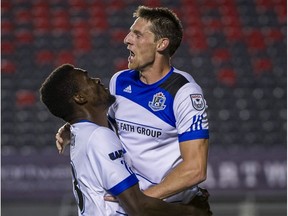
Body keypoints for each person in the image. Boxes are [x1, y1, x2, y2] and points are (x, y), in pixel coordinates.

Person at [56, 5, 212, 214]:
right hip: (133, 206)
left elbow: (195, 169)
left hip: (168, 207)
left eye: (137, 35)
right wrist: (74, 129)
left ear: (162, 44)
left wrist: (142, 200)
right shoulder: (120, 81)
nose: (127, 39)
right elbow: (109, 131)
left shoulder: (184, 92)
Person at [40, 63, 210, 216]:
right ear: (79, 98)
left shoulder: (80, 132)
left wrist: (67, 129)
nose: (97, 80)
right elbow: (138, 207)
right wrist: (193, 212)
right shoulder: (100, 137)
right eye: (89, 79)